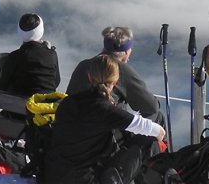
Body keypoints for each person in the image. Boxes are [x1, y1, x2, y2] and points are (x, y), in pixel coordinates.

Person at [43, 54, 167, 184]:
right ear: (115, 81)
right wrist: (160, 138)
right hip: (85, 180)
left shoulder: (67, 103)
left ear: (90, 77)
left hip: (52, 177)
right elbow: (155, 130)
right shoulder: (106, 110)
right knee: (148, 140)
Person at [66, 26, 165, 125]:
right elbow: (150, 106)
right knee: (156, 115)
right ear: (126, 51)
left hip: (71, 126)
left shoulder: (83, 65)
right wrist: (155, 101)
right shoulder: (121, 69)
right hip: (104, 131)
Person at [0, 13, 60, 99]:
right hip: (46, 109)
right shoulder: (52, 54)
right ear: (41, 31)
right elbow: (56, 81)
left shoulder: (14, 56)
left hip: (19, 110)